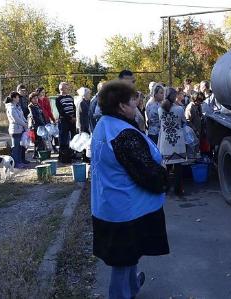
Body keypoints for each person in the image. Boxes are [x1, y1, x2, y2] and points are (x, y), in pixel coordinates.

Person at [91, 80, 169, 299]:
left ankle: (132, 287)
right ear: (121, 106)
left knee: (128, 254)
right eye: (133, 101)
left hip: (109, 203)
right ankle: (120, 294)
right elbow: (148, 174)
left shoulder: (104, 124)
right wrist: (163, 172)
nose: (136, 105)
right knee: (123, 258)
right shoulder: (123, 134)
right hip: (126, 208)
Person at [158, 87, 187, 195]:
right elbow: (184, 121)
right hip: (177, 140)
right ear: (174, 96)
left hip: (165, 140)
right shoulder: (179, 109)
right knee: (178, 167)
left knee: (166, 166)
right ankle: (178, 190)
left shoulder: (160, 109)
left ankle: (165, 188)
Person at [5, 91, 29, 167]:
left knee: (20, 147)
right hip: (15, 130)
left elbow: (21, 117)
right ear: (13, 98)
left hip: (20, 129)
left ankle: (19, 161)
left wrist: (26, 122)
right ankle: (15, 163)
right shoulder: (11, 107)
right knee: (16, 148)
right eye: (18, 97)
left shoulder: (17, 106)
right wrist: (24, 124)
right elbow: (16, 119)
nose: (19, 98)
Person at [55, 82, 76, 163]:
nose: (67, 89)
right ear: (61, 89)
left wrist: (74, 117)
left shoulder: (70, 97)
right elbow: (61, 111)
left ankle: (72, 154)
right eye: (66, 88)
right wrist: (70, 118)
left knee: (73, 138)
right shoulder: (58, 99)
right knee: (63, 139)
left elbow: (74, 108)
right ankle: (63, 157)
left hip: (72, 121)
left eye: (67, 87)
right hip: (64, 121)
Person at [28, 92, 47, 159]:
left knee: (40, 140)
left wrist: (45, 122)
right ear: (31, 99)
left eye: (36, 98)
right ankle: (38, 154)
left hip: (41, 125)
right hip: (35, 126)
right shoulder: (31, 106)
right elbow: (34, 116)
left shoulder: (38, 105)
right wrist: (41, 123)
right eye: (34, 98)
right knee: (38, 141)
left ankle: (37, 154)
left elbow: (42, 115)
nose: (36, 100)